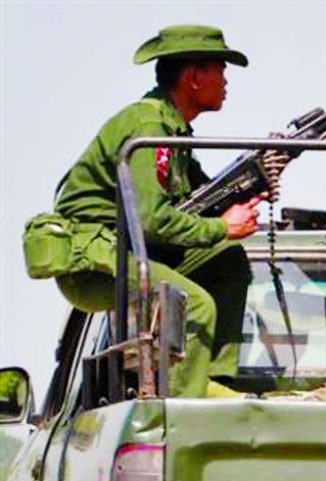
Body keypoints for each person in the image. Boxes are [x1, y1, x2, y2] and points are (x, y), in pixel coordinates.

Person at [49, 25, 289, 397]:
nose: (226, 82)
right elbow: (152, 220)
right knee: (194, 305)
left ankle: (212, 382)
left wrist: (255, 181)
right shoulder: (149, 127)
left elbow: (203, 196)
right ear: (193, 78)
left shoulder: (174, 132)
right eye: (220, 70)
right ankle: (183, 409)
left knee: (227, 261)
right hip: (96, 258)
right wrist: (222, 228)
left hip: (129, 250)